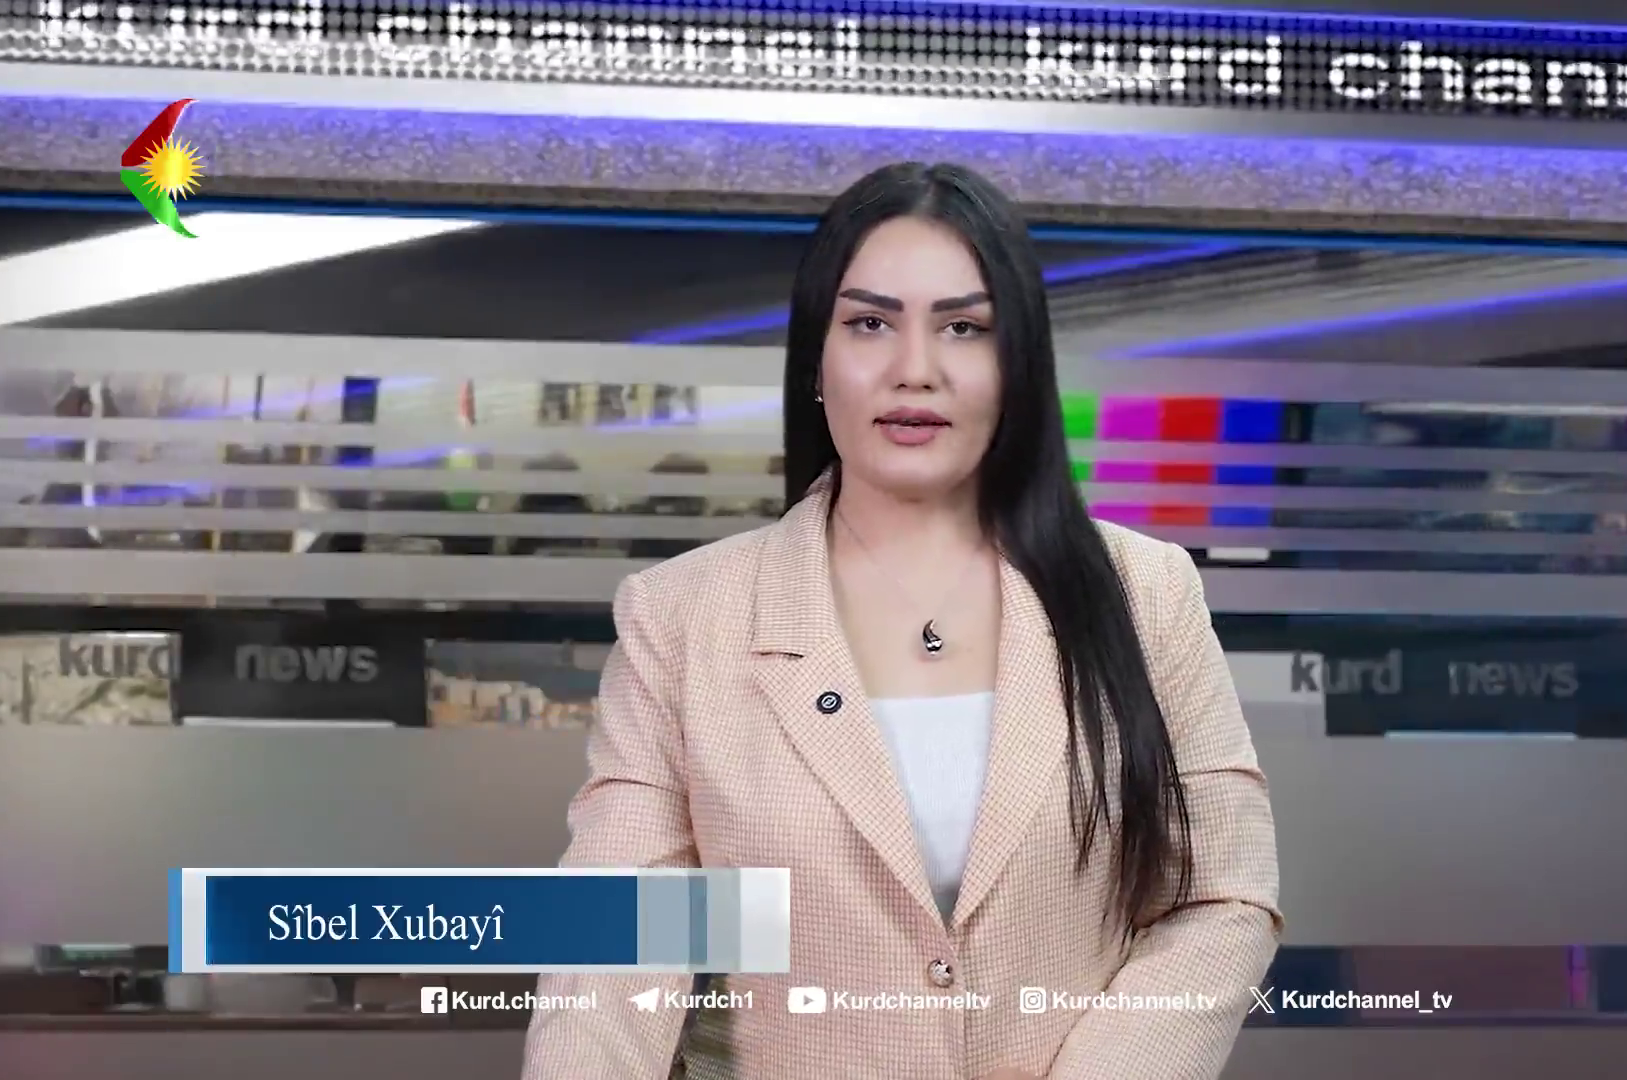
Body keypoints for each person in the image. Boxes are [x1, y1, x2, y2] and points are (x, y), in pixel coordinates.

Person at [521, 162, 1282, 1080]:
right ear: (816, 361)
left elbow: (1220, 897)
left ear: (1017, 366)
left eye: (964, 327)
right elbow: (616, 944)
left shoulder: (1144, 592)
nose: (914, 369)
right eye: (870, 324)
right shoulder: (684, 617)